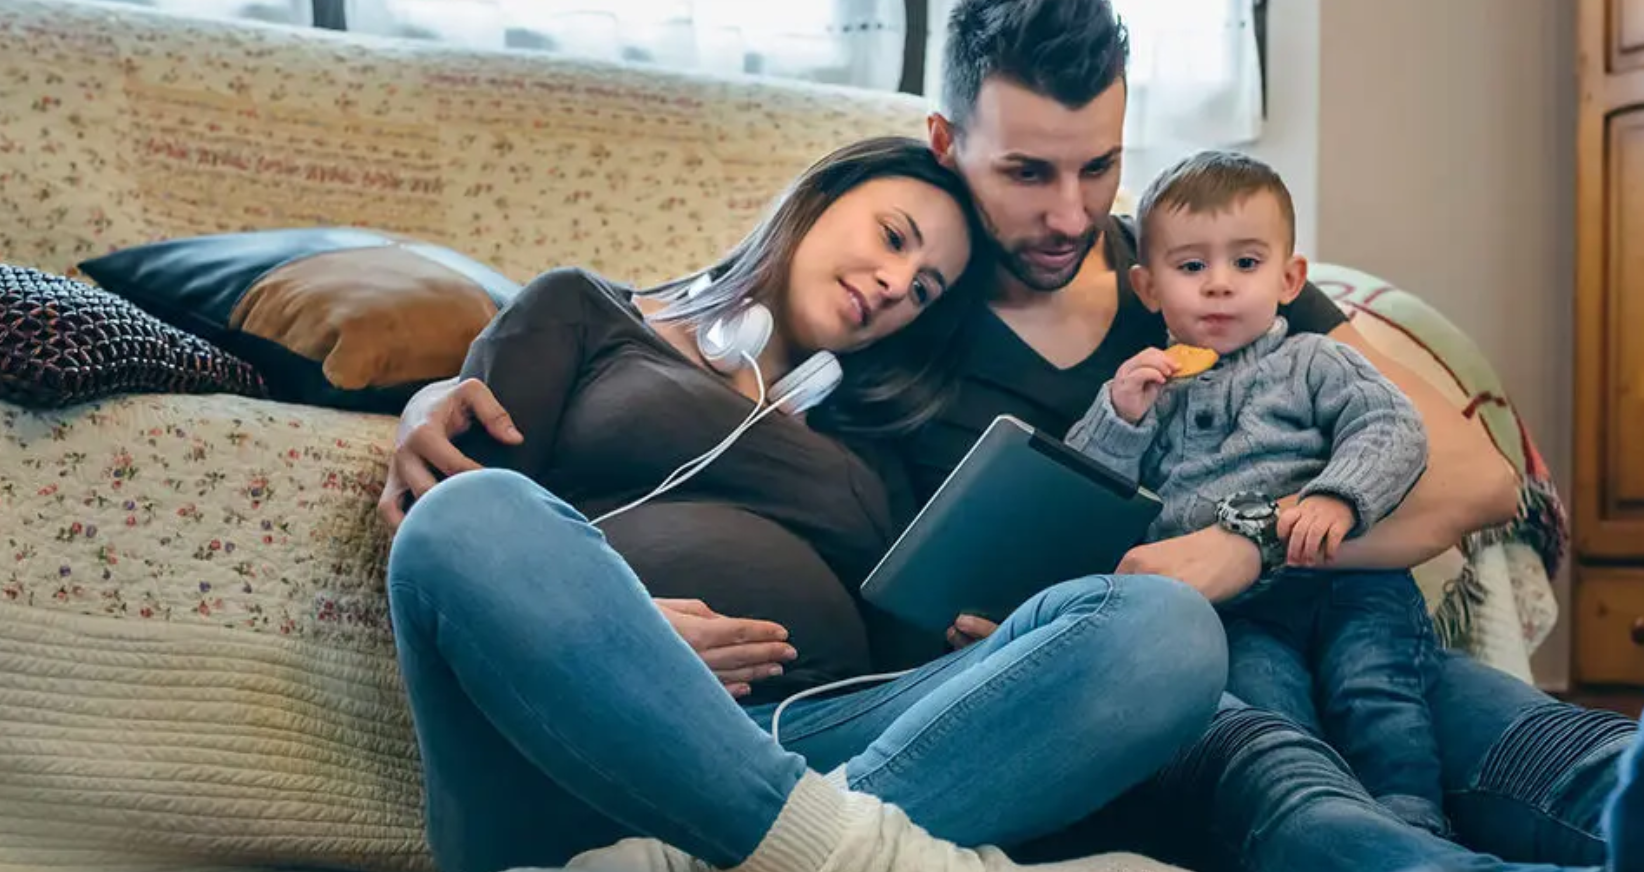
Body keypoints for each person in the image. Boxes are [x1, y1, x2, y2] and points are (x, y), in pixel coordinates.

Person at [383, 0, 1644, 871]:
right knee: (1189, 675)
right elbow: (678, 421)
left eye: (1098, 165)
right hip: (1087, 684)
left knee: (1534, 740)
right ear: (946, 148)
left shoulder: (1198, 281)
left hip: (1281, 614)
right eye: (1026, 173)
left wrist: (1244, 547)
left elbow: (1474, 473)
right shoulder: (891, 346)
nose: (1068, 214)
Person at [387, 136, 1228, 872]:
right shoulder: (583, 312)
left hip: (827, 744)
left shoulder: (881, 436)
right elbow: (464, 535)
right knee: (468, 519)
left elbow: (909, 665)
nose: (898, 282)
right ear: (819, 197)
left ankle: (727, 850)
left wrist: (994, 641)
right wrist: (622, 631)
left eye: (926, 289)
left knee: (1166, 629)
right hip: (580, 747)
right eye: (893, 237)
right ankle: (827, 851)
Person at [1061, 148, 1451, 838]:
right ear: (1149, 288)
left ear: (1290, 277)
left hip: (1348, 580)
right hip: (1238, 611)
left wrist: (1335, 497)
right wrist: (1118, 416)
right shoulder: (1149, 388)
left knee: (1376, 696)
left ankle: (1413, 822)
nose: (1218, 285)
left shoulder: (1313, 358)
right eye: (1190, 267)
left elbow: (1393, 426)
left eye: (1245, 263)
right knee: (1269, 711)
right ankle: (1319, 824)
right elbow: (1082, 494)